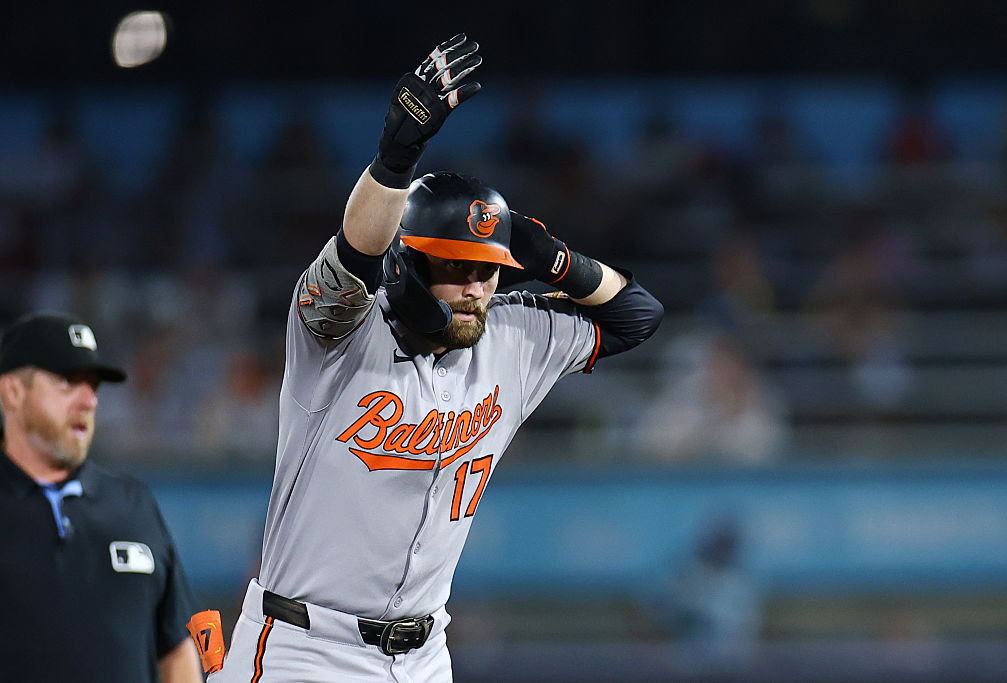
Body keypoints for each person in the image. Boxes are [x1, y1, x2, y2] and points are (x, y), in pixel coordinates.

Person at [206, 34, 664, 682]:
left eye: (488, 269)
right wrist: (394, 162)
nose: (476, 287)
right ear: (408, 265)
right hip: (305, 648)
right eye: (456, 267)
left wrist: (549, 256)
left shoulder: (512, 337)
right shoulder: (338, 336)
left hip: (424, 655)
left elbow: (637, 315)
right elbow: (354, 256)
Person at [0, 311, 203, 682]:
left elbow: (176, 647)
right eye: (68, 382)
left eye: (93, 386)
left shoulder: (132, 503)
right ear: (13, 391)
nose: (89, 400)